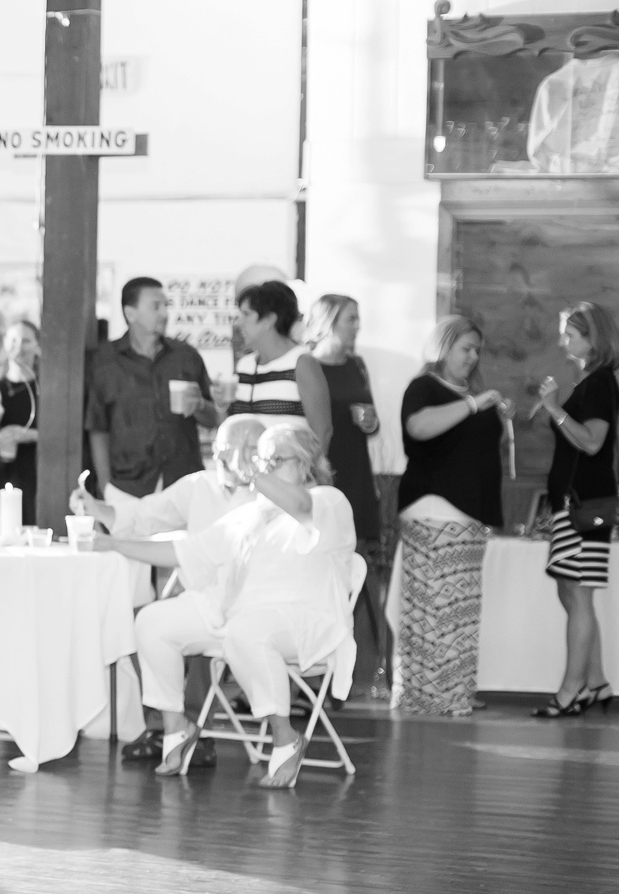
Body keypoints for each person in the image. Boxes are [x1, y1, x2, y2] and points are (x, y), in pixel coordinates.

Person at [98, 424, 358, 790]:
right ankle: (177, 726)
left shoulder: (330, 501)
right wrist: (113, 545)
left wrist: (253, 470)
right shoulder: (251, 514)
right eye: (260, 461)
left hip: (304, 619)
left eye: (273, 460)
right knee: (154, 621)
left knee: (246, 630)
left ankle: (286, 737)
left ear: (304, 465)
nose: (262, 469)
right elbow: (184, 551)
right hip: (239, 615)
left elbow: (300, 505)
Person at [70, 412, 272, 766]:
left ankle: (197, 729)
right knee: (131, 622)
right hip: (198, 596)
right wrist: (96, 507)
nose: (260, 459)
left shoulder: (269, 496)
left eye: (263, 450)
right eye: (252, 449)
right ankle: (165, 724)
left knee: (183, 632)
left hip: (249, 604)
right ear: (223, 451)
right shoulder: (198, 486)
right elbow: (148, 516)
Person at [394, 316, 507, 716]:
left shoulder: (470, 395)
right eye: (466, 348)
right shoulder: (424, 387)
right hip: (435, 510)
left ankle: (453, 690)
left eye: (477, 350)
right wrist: (474, 404)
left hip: (469, 515)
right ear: (443, 347)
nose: (473, 357)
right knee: (436, 608)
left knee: (459, 610)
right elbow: (419, 427)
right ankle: (430, 693)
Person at [534, 300, 619, 718]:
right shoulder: (590, 381)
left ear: (593, 338)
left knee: (579, 592)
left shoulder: (601, 381)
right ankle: (596, 681)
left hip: (586, 506)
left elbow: (591, 442)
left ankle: (571, 690)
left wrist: (554, 408)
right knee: (571, 590)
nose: (563, 340)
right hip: (574, 505)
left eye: (570, 333)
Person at [301, 293, 391, 693]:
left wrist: (371, 422)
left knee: (362, 567)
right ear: (329, 321)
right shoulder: (307, 365)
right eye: (351, 318)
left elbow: (370, 422)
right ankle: (316, 665)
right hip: (318, 473)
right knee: (322, 568)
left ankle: (365, 671)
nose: (357, 325)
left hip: (356, 471)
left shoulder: (357, 365)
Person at [85, 277, 219, 504]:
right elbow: (98, 428)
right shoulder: (104, 362)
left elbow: (213, 417)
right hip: (128, 487)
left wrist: (199, 406)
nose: (164, 313)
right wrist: (105, 487)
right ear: (130, 314)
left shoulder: (187, 357)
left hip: (183, 484)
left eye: (166, 306)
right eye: (155, 307)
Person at [227, 281, 333, 448]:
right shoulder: (245, 366)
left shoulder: (302, 363)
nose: (239, 322)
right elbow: (230, 427)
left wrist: (309, 472)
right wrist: (221, 405)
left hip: (290, 471)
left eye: (246, 314)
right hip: (246, 471)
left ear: (269, 319)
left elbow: (323, 430)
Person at [0, 319, 42, 525]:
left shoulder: (46, 388)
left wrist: (27, 435)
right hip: (4, 472)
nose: (19, 347)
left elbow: (62, 434)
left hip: (38, 471)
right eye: (13, 340)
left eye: (26, 340)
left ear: (38, 346)